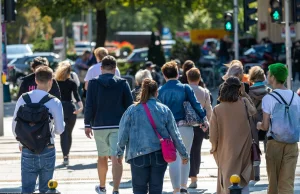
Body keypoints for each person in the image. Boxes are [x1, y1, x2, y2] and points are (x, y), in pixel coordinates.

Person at [117, 78, 189, 194]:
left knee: (139, 190)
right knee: (156, 189)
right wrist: (183, 154)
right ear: (156, 93)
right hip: (159, 154)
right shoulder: (164, 110)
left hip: (137, 155)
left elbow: (123, 133)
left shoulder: (131, 110)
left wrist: (119, 152)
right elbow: (175, 134)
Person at [84, 55, 133, 194]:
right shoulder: (123, 83)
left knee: (102, 156)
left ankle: (102, 186)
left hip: (99, 125)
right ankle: (116, 189)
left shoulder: (93, 83)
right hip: (118, 125)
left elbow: (89, 105)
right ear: (115, 68)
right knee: (117, 158)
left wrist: (87, 124)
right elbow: (129, 106)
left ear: (101, 68)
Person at [158, 61, 208, 194]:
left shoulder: (161, 91)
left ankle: (175, 189)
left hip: (168, 130)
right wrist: (204, 119)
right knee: (186, 156)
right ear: (178, 74)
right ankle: (184, 187)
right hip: (185, 127)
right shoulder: (186, 88)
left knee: (173, 160)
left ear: (164, 75)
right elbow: (196, 105)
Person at [12, 66, 64, 193]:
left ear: (35, 80)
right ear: (51, 81)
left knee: (27, 189)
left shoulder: (23, 98)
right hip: (48, 148)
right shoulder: (54, 101)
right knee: (46, 189)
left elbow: (14, 126)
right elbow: (59, 130)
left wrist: (21, 142)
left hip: (27, 148)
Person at [257, 63, 300, 194]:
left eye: (269, 74)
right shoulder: (296, 97)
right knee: (287, 183)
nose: (267, 76)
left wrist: (258, 125)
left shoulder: (268, 98)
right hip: (292, 143)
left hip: (274, 143)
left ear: (273, 77)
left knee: (273, 184)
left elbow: (265, 126)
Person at [210, 76, 256, 194]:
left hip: (226, 148)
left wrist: (214, 147)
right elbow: (253, 112)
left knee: (226, 176)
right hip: (245, 146)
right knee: (242, 177)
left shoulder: (217, 109)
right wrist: (244, 94)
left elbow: (213, 134)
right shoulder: (244, 102)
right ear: (238, 89)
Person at [186, 68, 212, 189]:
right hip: (200, 126)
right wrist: (209, 123)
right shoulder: (204, 91)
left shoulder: (184, 89)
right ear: (199, 77)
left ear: (187, 78)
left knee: (185, 150)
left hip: (185, 125)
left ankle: (184, 177)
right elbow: (208, 109)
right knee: (196, 150)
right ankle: (194, 178)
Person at [55, 61, 83, 165]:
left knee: (63, 134)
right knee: (69, 133)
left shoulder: (55, 82)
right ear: (69, 71)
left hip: (58, 108)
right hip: (70, 109)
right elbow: (76, 96)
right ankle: (66, 155)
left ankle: (65, 156)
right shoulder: (72, 82)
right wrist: (81, 107)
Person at [248, 66, 271, 181]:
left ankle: (255, 175)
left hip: (253, 121)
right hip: (267, 121)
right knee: (268, 149)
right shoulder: (268, 91)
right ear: (263, 77)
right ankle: (270, 174)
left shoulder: (248, 92)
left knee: (254, 147)